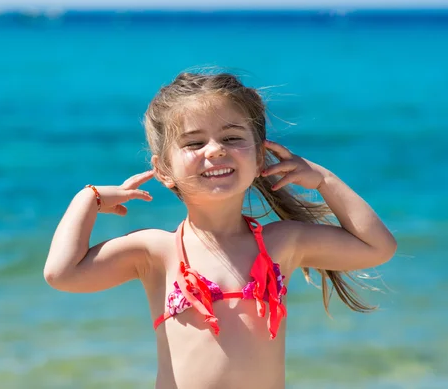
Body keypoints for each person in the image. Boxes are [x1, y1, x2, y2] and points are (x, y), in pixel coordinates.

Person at [44, 71, 397, 388]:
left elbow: (377, 247)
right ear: (164, 170)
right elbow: (62, 274)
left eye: (231, 138)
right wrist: (86, 199)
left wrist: (324, 180)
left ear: (259, 157)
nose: (215, 151)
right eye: (194, 143)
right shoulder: (156, 251)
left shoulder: (282, 242)